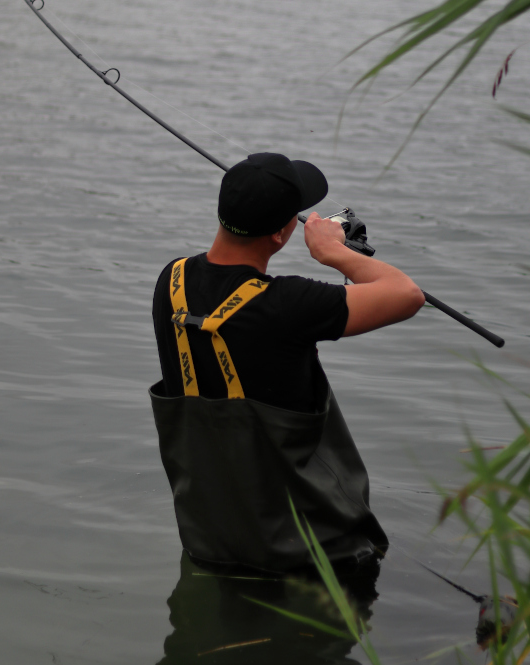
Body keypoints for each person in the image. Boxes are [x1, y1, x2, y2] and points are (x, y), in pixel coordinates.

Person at [150, 152, 425, 576]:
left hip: (211, 543)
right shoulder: (291, 304)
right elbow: (407, 294)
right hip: (312, 559)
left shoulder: (171, 282)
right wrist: (332, 251)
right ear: (281, 236)